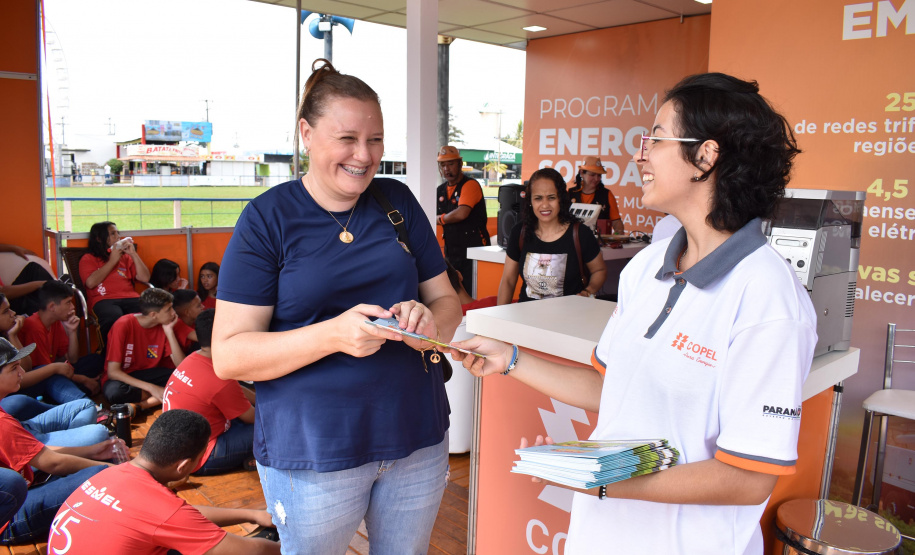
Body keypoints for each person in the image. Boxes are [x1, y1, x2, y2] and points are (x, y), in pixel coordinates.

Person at [450, 73, 817, 555]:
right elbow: (611, 388)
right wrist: (511, 358)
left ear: (706, 156)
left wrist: (603, 484)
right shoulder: (648, 267)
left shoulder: (769, 299)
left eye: (656, 139)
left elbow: (748, 479)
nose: (640, 154)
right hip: (598, 536)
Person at [213, 59, 461, 554]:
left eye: (375, 140)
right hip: (314, 454)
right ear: (306, 132)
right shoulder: (268, 218)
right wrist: (333, 334)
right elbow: (229, 355)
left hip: (417, 436)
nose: (363, 156)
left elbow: (447, 301)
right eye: (347, 138)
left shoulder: (397, 202)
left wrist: (431, 319)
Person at [47, 409, 279, 555]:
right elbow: (253, 551)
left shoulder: (109, 475)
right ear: (183, 466)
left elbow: (177, 516)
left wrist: (250, 514)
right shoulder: (162, 509)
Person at [0, 338, 116, 545]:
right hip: (9, 516)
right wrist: (114, 470)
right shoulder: (3, 423)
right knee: (100, 474)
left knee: (96, 462)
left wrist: (94, 453)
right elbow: (53, 462)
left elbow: (42, 457)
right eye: (14, 368)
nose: (22, 373)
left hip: (23, 482)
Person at [163, 309, 255, 475]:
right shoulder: (219, 379)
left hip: (178, 450)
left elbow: (233, 391)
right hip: (201, 457)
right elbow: (253, 418)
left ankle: (249, 455)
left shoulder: (193, 358)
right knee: (270, 427)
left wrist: (257, 398)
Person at [497, 167, 606, 304]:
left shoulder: (580, 234)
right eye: (538, 198)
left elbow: (599, 270)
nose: (544, 205)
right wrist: (499, 317)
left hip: (569, 318)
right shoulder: (519, 232)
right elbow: (508, 280)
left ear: (561, 199)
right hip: (526, 318)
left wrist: (588, 291)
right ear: (530, 201)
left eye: (551, 198)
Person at [104, 288, 185, 411]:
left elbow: (181, 368)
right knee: (115, 392)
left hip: (149, 374)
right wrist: (152, 388)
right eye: (169, 309)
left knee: (186, 380)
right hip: (123, 377)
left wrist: (169, 332)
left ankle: (142, 405)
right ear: (153, 315)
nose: (174, 313)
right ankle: (161, 394)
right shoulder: (124, 324)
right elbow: (113, 372)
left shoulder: (164, 325)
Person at [19, 281, 104, 398]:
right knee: (78, 384)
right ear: (52, 307)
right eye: (68, 303)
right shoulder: (34, 326)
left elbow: (73, 359)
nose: (73, 307)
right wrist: (84, 380)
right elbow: (47, 370)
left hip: (55, 370)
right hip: (41, 378)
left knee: (95, 360)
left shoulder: (55, 322)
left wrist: (72, 331)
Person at [79, 221, 151, 345]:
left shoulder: (126, 257)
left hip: (131, 298)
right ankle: (110, 355)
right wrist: (112, 261)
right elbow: (90, 283)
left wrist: (133, 254)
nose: (118, 237)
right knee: (113, 317)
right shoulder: (88, 258)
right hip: (104, 300)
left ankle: (141, 354)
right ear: (99, 238)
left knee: (150, 312)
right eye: (113, 234)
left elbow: (145, 278)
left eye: (118, 233)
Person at [435, 145, 490, 294]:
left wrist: (440, 219)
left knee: (473, 290)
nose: (447, 169)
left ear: (460, 164)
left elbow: (461, 213)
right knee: (455, 291)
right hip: (452, 250)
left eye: (451, 164)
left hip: (474, 249)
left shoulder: (470, 185)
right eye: (443, 164)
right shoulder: (440, 190)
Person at [567, 156, 624, 235]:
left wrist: (618, 233)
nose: (597, 179)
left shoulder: (607, 194)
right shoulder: (570, 193)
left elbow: (616, 221)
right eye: (593, 175)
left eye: (599, 175)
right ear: (581, 173)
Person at [0, 243, 55, 316]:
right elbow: (2, 293)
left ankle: (59, 299)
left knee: (33, 269)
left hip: (6, 298)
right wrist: (38, 284)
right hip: (4, 306)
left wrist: (14, 248)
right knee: (36, 305)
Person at [172, 289, 205, 353]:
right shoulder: (177, 323)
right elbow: (205, 339)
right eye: (198, 306)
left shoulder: (193, 320)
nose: (203, 307)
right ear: (187, 312)